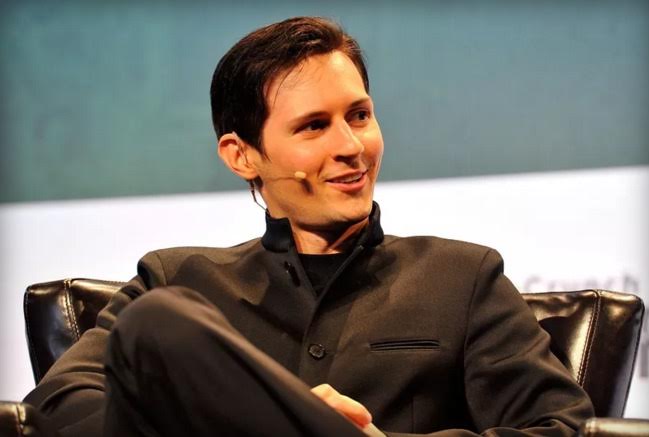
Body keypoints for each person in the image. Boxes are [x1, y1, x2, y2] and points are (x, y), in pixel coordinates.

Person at [24, 16, 594, 436]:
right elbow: (58, 408)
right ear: (242, 155)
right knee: (159, 322)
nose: (351, 147)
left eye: (359, 116)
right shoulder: (178, 279)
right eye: (314, 126)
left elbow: (561, 428)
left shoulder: (462, 277)